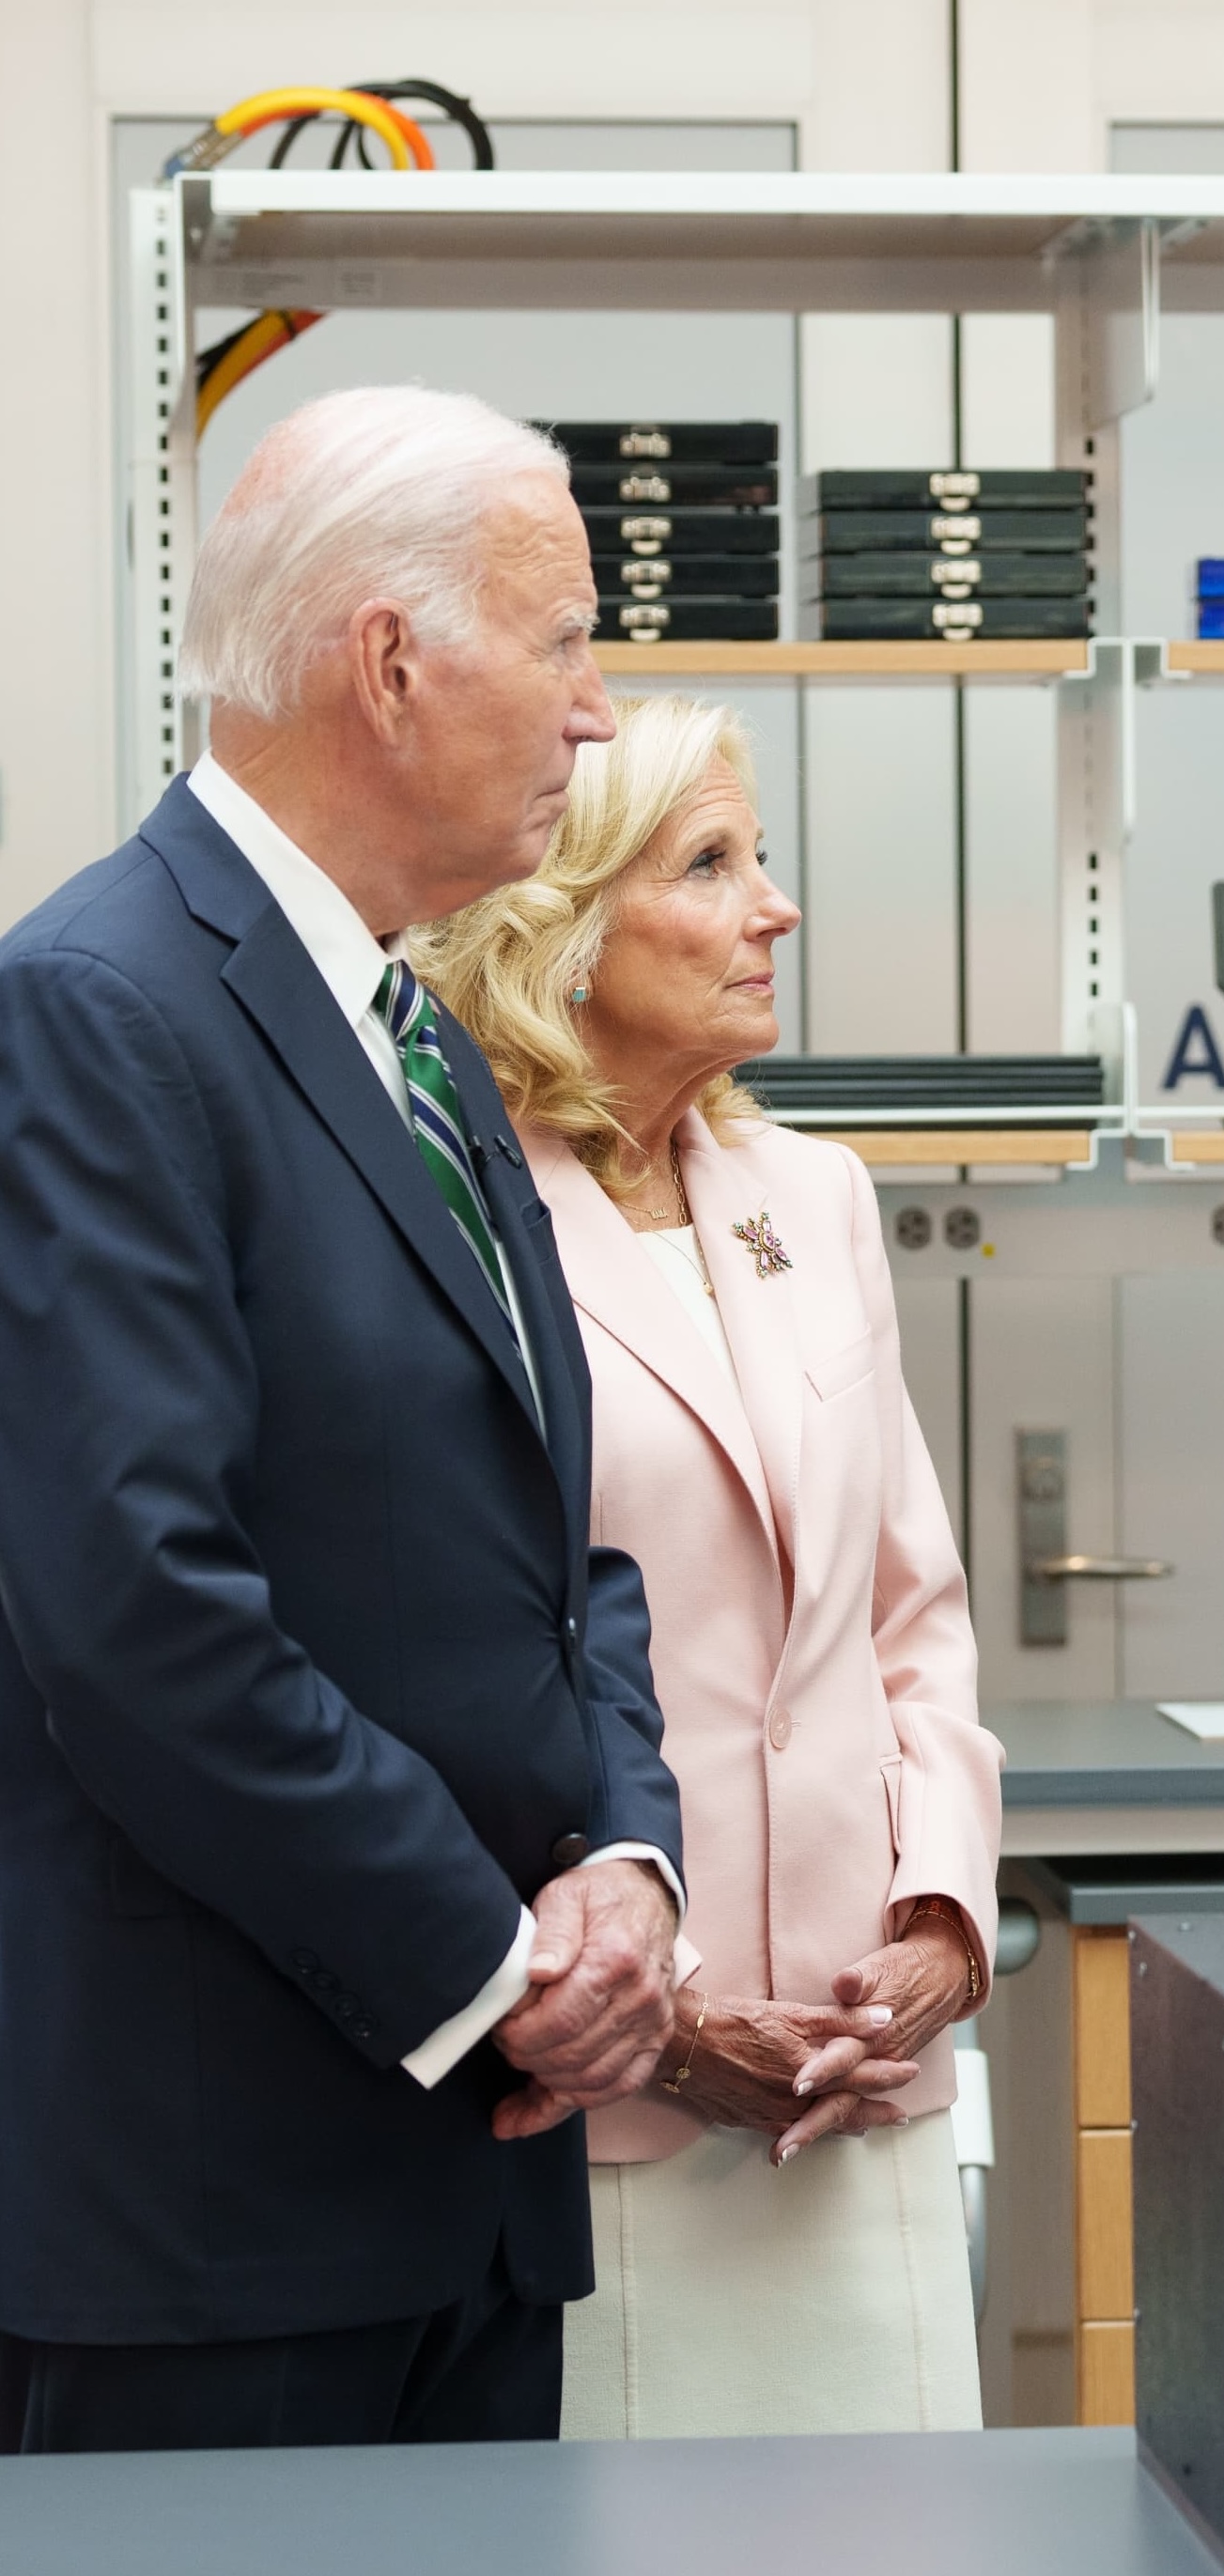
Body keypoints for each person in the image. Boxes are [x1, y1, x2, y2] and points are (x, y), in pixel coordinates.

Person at [0, 388, 688, 2453]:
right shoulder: (102, 1012)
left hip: (466, 2196)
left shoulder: (405, 1030)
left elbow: (553, 1561)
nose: (596, 709)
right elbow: (139, 1615)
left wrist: (633, 1867)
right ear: (390, 664)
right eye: (562, 639)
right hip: (219, 2221)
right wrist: (492, 1961)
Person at [413, 693, 1002, 2438]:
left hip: (855, 2076)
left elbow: (914, 1614)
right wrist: (653, 2024)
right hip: (614, 2093)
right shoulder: (447, 1218)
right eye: (713, 862)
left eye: (764, 857)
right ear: (561, 926)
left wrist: (942, 1921)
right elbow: (447, 1664)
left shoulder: (811, 1194)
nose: (776, 905)